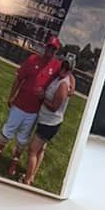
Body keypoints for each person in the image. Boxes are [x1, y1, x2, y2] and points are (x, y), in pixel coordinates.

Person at [0, 33, 65, 178]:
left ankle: (14, 163)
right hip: (19, 104)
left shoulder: (57, 66)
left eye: (53, 49)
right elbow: (18, 79)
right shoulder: (32, 59)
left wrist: (71, 88)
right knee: (8, 131)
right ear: (45, 47)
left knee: (23, 138)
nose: (50, 51)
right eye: (49, 47)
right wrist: (11, 96)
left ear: (56, 51)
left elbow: (69, 75)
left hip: (34, 110)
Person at [23, 57, 76, 186]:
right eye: (63, 66)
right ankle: (32, 175)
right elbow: (73, 80)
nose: (63, 69)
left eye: (66, 68)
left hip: (49, 123)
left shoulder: (63, 84)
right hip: (47, 120)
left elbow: (54, 107)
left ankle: (26, 181)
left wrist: (42, 98)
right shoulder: (65, 78)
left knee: (32, 150)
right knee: (41, 150)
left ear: (70, 70)